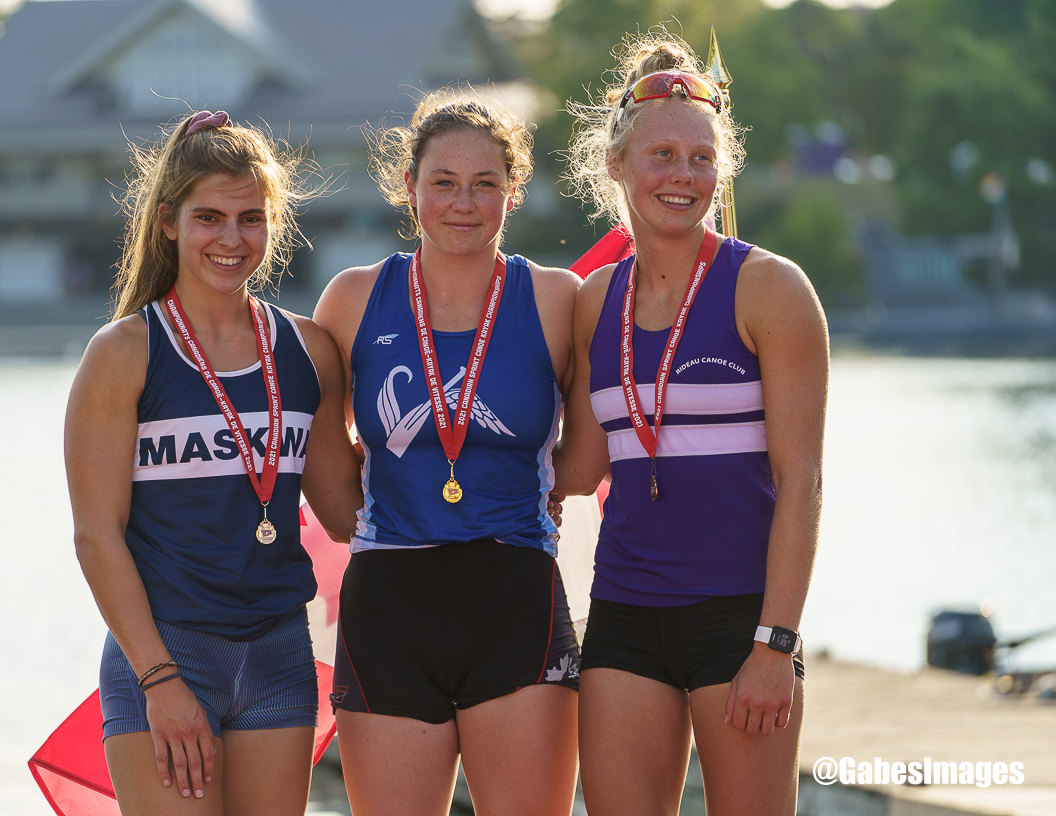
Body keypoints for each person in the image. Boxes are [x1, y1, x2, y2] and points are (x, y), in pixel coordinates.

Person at [553, 34, 829, 816]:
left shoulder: (770, 289)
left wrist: (776, 642)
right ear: (617, 163)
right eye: (663, 156)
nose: (683, 176)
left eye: (702, 159)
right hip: (624, 614)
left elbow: (803, 481)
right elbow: (580, 468)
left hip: (741, 620)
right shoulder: (593, 301)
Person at [65, 110, 361, 816]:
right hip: (168, 653)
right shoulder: (123, 353)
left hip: (279, 653)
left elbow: (348, 516)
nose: (232, 239)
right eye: (209, 218)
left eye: (251, 219)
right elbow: (96, 537)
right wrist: (159, 680)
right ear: (168, 222)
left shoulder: (309, 351)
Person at [312, 89, 582, 816]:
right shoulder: (353, 300)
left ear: (513, 191)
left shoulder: (557, 299)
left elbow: (588, 454)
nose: (464, 203)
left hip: (515, 598)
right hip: (389, 605)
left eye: (485, 183)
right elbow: (321, 461)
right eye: (444, 182)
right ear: (410, 187)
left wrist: (544, 493)